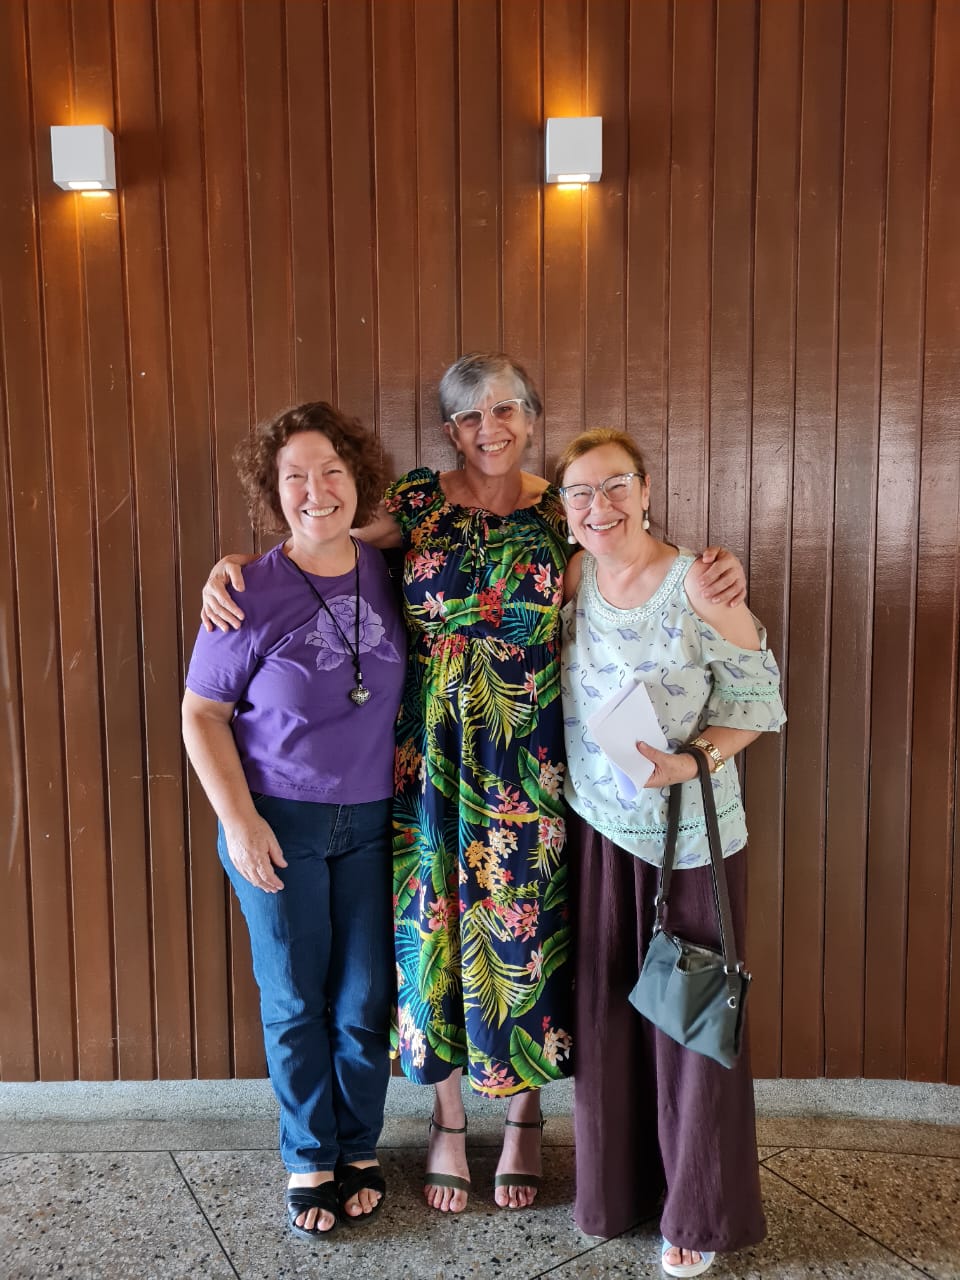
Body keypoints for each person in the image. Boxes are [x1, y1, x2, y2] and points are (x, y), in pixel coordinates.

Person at [200, 353, 747, 1216]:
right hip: (422, 762)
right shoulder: (418, 502)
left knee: (521, 934)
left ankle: (524, 1116)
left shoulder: (564, 509)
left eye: (504, 409)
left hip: (526, 757)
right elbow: (322, 541)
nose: (487, 429)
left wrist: (717, 574)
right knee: (432, 937)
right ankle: (447, 1121)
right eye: (467, 416)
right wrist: (237, 566)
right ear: (449, 431)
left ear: (530, 416)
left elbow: (636, 563)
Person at [556, 428, 785, 1278]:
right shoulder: (575, 577)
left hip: (690, 841)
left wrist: (691, 763)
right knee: (608, 1019)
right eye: (580, 493)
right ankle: (616, 1192)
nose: (600, 506)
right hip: (598, 830)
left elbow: (760, 702)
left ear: (647, 490)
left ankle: (696, 1211)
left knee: (691, 1025)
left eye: (615, 485)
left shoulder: (699, 583)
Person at [182, 402, 407, 1241]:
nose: (317, 491)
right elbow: (201, 714)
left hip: (375, 821)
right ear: (273, 492)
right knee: (294, 997)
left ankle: (358, 1144)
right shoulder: (247, 591)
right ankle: (310, 1154)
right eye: (295, 477)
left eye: (332, 471)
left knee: (364, 999)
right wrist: (238, 821)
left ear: (359, 478)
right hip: (276, 821)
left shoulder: (390, 566)